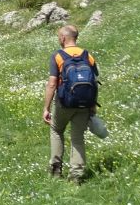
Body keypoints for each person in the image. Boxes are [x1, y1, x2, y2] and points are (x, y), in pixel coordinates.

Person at [41, 24, 98, 184]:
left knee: (56, 130)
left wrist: (46, 108)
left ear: (63, 38)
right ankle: (76, 177)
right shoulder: (88, 56)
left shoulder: (58, 56)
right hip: (85, 103)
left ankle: (55, 171)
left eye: (59, 36)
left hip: (64, 102)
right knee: (78, 137)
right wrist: (92, 105)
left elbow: (52, 84)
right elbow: (93, 81)